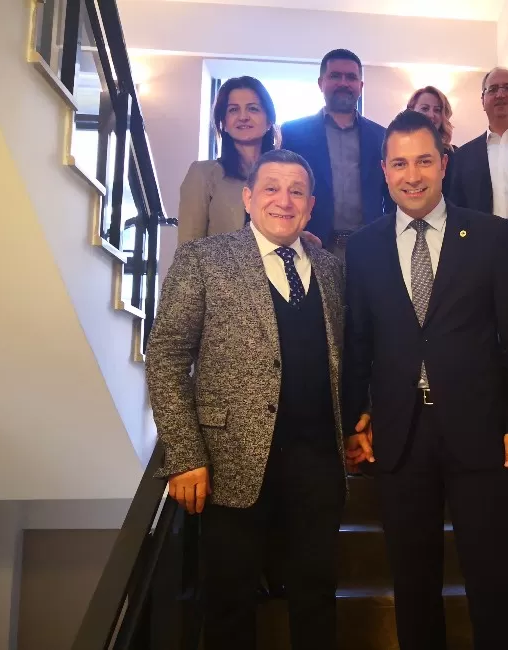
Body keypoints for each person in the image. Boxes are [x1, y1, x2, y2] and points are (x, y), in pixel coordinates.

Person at [343, 110, 508, 650]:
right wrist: (354, 420)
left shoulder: (489, 235)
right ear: (384, 170)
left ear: (443, 164)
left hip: (482, 434)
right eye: (400, 163)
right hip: (400, 437)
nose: (412, 175)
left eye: (424, 161)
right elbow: (357, 344)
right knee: (413, 585)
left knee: (492, 581)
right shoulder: (361, 248)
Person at [146, 150, 347, 650]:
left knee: (317, 597)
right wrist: (185, 455)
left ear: (311, 206)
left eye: (297, 191)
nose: (284, 201)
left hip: (318, 464)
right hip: (229, 463)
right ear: (248, 198)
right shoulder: (204, 259)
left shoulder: (331, 269)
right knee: (230, 605)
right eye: (272, 188)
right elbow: (166, 357)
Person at [281, 48, 394, 257]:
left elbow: (391, 194)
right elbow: (285, 190)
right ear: (320, 83)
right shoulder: (294, 133)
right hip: (311, 246)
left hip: (370, 246)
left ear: (360, 86)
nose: (343, 83)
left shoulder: (381, 136)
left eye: (351, 77)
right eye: (335, 76)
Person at [177, 76, 277, 244]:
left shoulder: (286, 175)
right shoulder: (203, 174)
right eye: (233, 110)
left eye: (253, 109)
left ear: (269, 121)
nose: (243, 117)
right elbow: (188, 248)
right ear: (223, 122)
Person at [448, 67, 508, 218]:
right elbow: (457, 209)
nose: (500, 95)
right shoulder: (462, 156)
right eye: (493, 89)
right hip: (480, 233)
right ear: (483, 100)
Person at [407, 85, 455, 197]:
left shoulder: (452, 156)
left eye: (437, 110)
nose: (431, 115)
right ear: (411, 111)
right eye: (425, 108)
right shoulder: (396, 151)